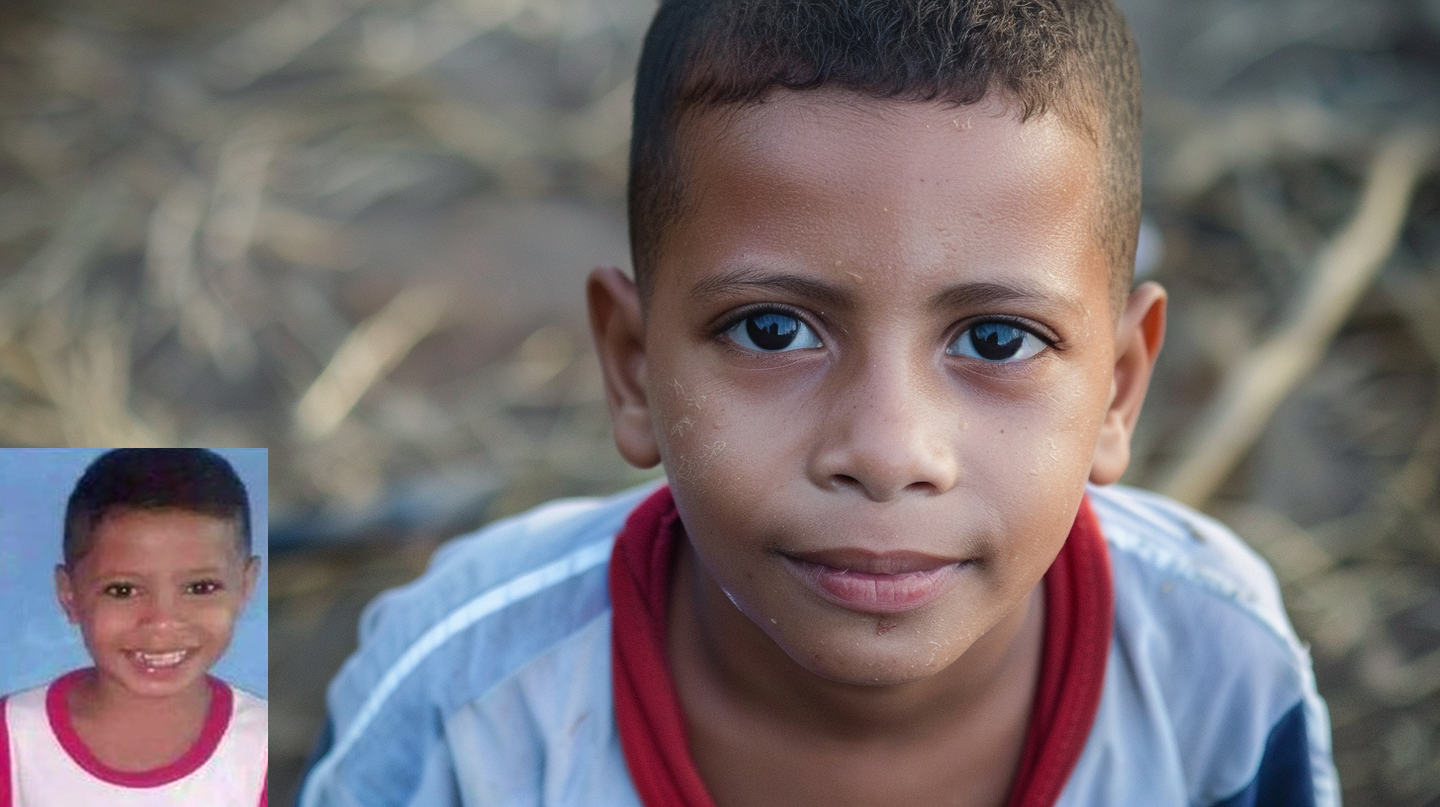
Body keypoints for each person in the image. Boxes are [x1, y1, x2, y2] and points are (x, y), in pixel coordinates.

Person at [297, 0, 1339, 805]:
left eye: (995, 340)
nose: (887, 451)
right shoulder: (462, 701)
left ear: (1116, 389)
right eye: (772, 329)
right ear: (631, 367)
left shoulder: (1220, 671)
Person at [0, 449, 268, 807]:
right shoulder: (13, 740)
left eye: (200, 587)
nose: (162, 621)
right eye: (122, 590)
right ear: (69, 594)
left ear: (246, 586)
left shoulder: (264, 749)